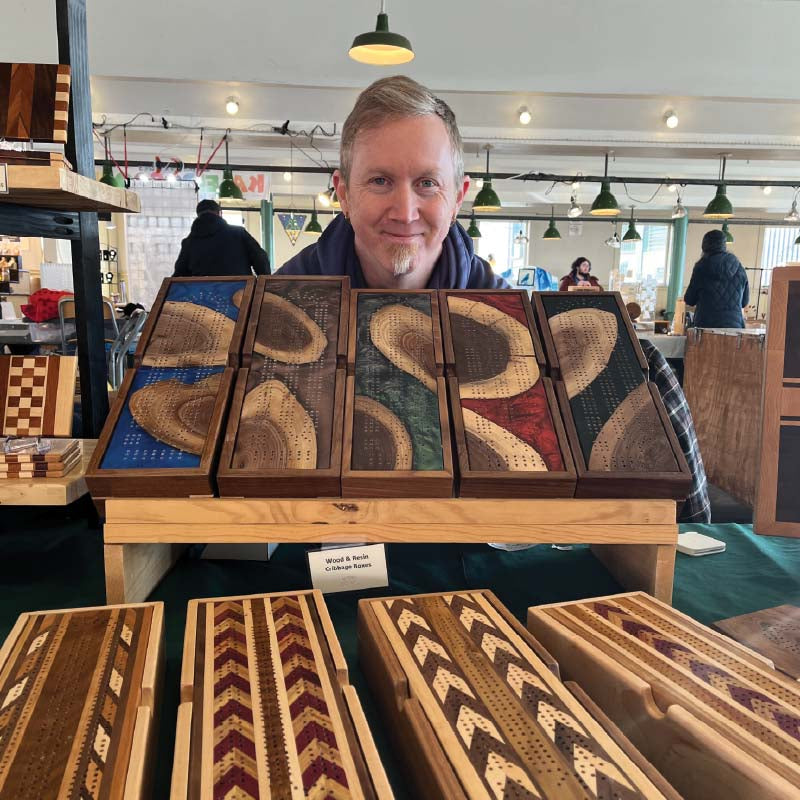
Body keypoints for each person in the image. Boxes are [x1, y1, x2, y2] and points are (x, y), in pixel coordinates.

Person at [277, 76, 507, 290]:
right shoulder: (277, 301)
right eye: (380, 181)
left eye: (427, 183)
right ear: (344, 194)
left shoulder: (512, 318)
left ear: (457, 198)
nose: (405, 214)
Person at [173, 199, 269, 277]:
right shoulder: (239, 233)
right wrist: (264, 285)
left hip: (204, 297)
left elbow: (179, 274)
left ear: (198, 215)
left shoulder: (189, 243)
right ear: (219, 213)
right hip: (241, 294)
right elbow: (260, 258)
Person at [683, 229, 749, 328]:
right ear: (724, 245)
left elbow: (689, 299)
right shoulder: (739, 267)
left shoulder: (701, 267)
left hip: (705, 327)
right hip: (735, 327)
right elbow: (744, 302)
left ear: (704, 247)